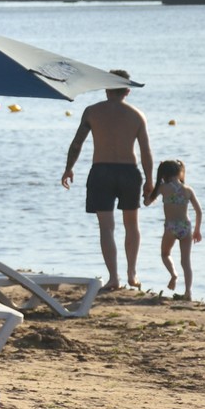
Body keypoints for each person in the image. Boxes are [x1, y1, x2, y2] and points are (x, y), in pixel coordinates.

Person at [62, 71, 152, 292]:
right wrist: (150, 181)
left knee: (106, 227)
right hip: (129, 172)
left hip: (101, 171)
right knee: (132, 225)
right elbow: (146, 152)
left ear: (106, 87)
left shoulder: (92, 111)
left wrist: (69, 168)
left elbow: (77, 143)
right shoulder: (136, 115)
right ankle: (132, 273)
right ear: (128, 90)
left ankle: (114, 278)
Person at [144, 160, 202, 300]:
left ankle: (174, 275)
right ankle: (188, 292)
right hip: (185, 226)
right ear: (179, 172)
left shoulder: (163, 188)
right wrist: (197, 230)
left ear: (163, 174)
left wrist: (146, 194)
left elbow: (147, 203)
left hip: (171, 227)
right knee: (186, 261)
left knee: (165, 254)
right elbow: (199, 212)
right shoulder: (188, 190)